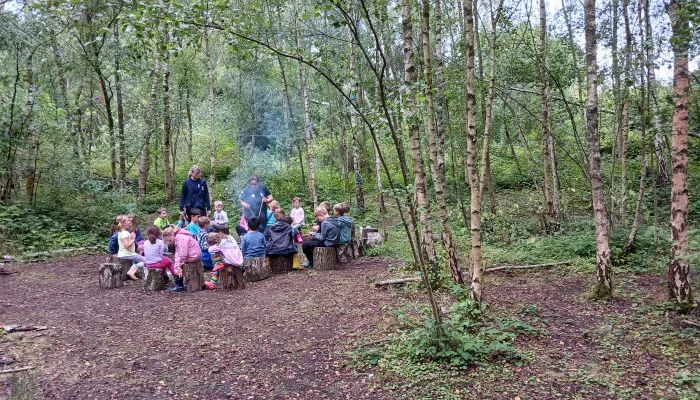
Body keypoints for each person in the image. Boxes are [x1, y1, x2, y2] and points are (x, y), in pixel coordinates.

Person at [163, 226, 202, 292]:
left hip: (193, 256)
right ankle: (179, 284)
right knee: (177, 265)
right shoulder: (178, 237)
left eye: (169, 240)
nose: (170, 242)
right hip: (191, 255)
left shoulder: (180, 238)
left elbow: (183, 254)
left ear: (172, 235)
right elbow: (178, 253)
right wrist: (178, 265)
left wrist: (180, 265)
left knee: (177, 267)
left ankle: (179, 285)